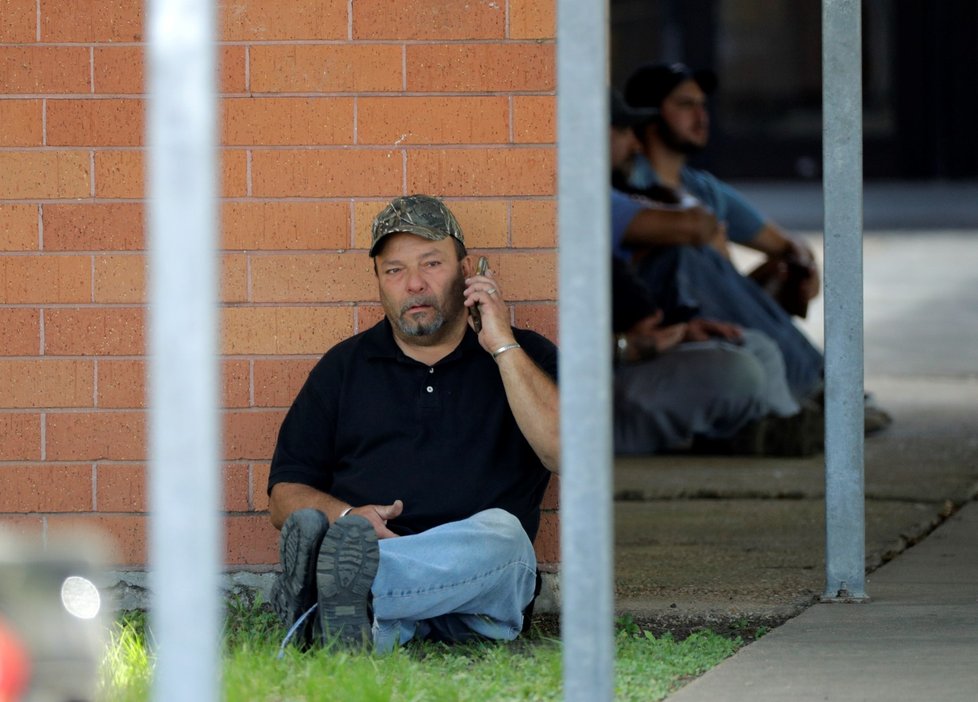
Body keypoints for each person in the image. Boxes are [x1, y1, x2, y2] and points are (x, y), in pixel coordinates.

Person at [266, 195, 559, 653]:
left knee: (505, 537)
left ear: (467, 271)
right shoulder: (343, 369)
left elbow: (563, 451)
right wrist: (348, 518)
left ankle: (333, 596)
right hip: (403, 603)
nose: (415, 284)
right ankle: (353, 609)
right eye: (395, 270)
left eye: (431, 264)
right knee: (379, 620)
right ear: (379, 281)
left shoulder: (527, 359)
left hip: (486, 584)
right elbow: (285, 497)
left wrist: (501, 345)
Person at [618, 63, 891, 432]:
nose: (701, 116)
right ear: (649, 116)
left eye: (703, 105)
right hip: (652, 318)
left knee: (765, 268)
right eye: (685, 105)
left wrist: (800, 266)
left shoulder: (703, 187)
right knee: (685, 256)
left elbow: (787, 243)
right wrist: (704, 242)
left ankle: (823, 387)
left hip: (703, 308)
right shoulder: (623, 180)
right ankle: (817, 387)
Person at [609, 91, 818, 455]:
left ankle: (784, 423)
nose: (633, 142)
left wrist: (681, 332)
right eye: (624, 131)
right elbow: (695, 228)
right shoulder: (592, 199)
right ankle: (798, 406)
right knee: (737, 365)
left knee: (755, 347)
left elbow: (784, 243)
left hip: (639, 344)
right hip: (602, 382)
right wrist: (637, 343)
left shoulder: (699, 184)